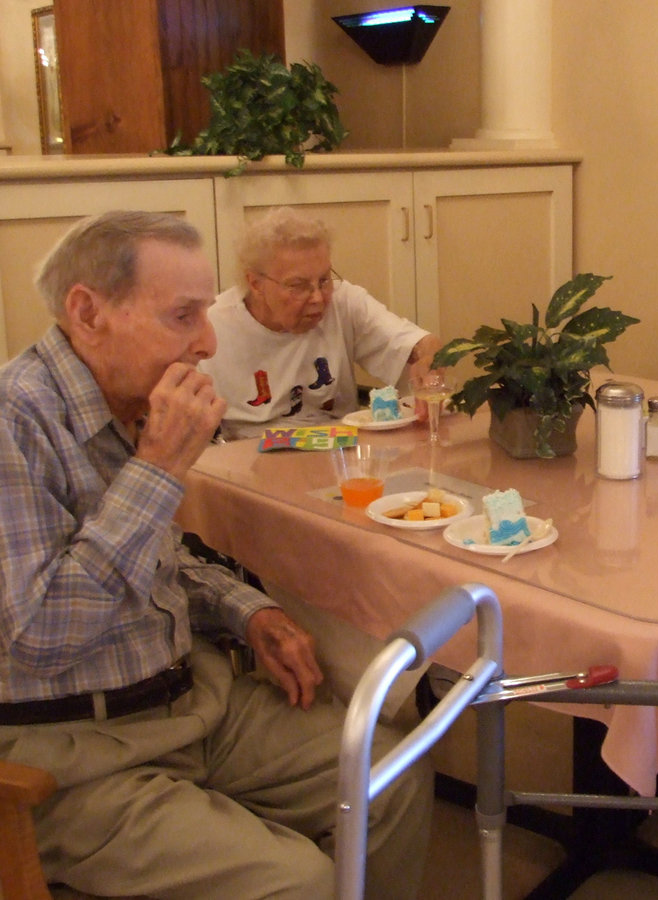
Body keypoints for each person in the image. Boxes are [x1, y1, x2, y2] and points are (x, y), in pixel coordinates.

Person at [0, 211, 432, 899]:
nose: (207, 341)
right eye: (182, 316)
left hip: (189, 698)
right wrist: (158, 470)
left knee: (394, 773)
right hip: (75, 749)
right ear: (87, 313)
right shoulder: (14, 423)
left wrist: (249, 611)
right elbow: (43, 639)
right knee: (299, 883)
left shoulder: (125, 403)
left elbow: (160, 559)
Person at [201, 206, 440, 439]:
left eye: (324, 280)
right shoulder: (210, 325)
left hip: (337, 451)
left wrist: (427, 361)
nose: (317, 298)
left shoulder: (344, 302)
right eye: (298, 285)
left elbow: (425, 344)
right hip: (248, 455)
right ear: (255, 284)